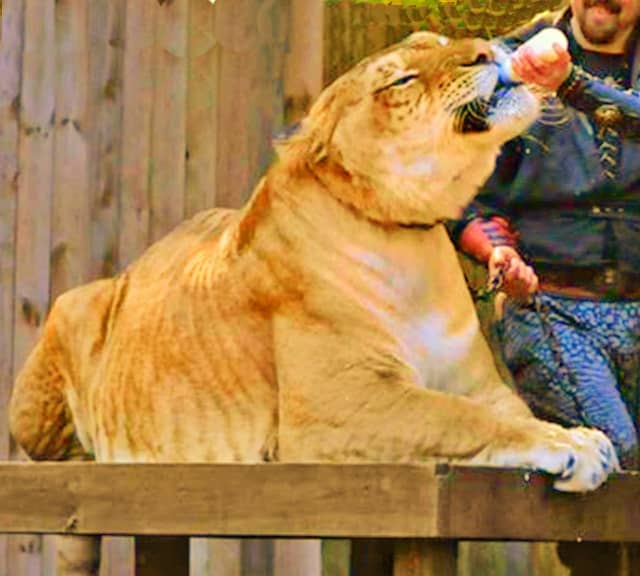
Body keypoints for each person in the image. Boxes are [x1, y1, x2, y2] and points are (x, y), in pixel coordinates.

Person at [451, 1, 640, 573]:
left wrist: (572, 84)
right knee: (616, 454)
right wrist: (498, 251)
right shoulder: (505, 62)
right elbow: (464, 186)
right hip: (554, 308)